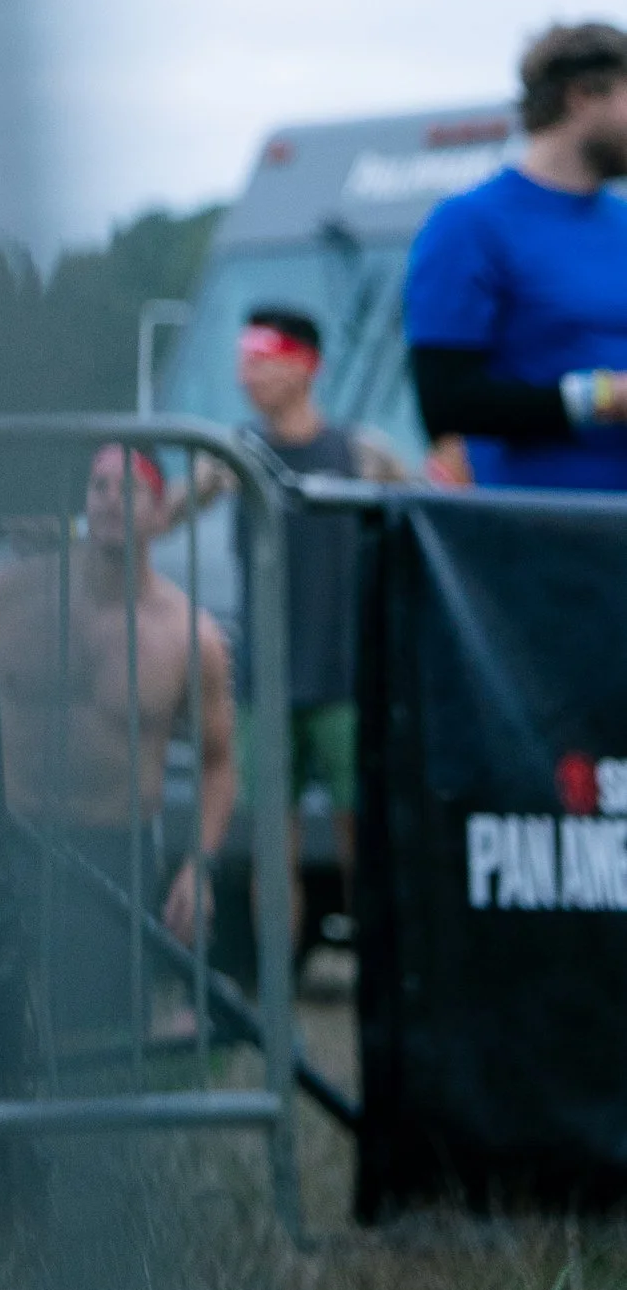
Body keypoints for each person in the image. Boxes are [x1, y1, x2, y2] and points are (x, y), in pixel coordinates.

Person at [0, 444, 237, 1048]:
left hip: (112, 856)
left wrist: (198, 867)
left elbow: (220, 765)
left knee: (99, 1048)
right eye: (98, 487)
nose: (110, 501)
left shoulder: (189, 635)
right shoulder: (15, 595)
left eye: (128, 490)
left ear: (161, 513)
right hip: (6, 843)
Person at [404, 21, 627, 491]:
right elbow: (445, 401)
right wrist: (606, 397)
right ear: (583, 96)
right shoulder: (469, 224)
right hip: (536, 535)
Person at [233, 308, 361, 947]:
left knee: (361, 844)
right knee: (269, 854)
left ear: (305, 365)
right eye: (243, 358)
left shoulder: (354, 451)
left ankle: (381, 998)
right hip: (265, 686)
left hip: (344, 683)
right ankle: (274, 1009)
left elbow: (432, 499)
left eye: (262, 357)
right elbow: (160, 512)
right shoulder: (232, 455)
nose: (246, 372)